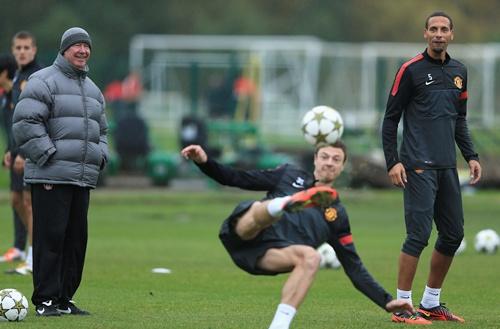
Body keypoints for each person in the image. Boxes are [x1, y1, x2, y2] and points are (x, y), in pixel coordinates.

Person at [181, 141, 413, 329]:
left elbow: (353, 266)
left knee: (312, 257)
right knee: (259, 211)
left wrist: (386, 301)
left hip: (270, 255)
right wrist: (204, 162)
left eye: (336, 160)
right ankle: (283, 204)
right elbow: (236, 178)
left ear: (342, 167)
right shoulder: (288, 175)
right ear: (315, 159)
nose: (329, 163)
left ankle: (279, 326)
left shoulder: (336, 214)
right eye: (324, 157)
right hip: (245, 232)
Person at [382, 11, 481, 325]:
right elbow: (389, 120)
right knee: (418, 235)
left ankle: (430, 303)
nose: (439, 34)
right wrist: (393, 161)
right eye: (433, 29)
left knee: (453, 235)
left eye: (444, 29)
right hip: (418, 167)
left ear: (452, 34)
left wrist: (471, 155)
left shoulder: (459, 72)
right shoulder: (410, 70)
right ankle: (402, 306)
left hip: (447, 167)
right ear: (425, 34)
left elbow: (460, 120)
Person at [12, 27, 108, 316]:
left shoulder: (93, 89)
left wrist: (100, 156)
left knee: (76, 242)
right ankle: (46, 300)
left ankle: (65, 300)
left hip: (81, 178)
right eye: (76, 45)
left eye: (86, 46)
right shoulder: (42, 81)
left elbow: (103, 131)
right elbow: (25, 124)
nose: (83, 50)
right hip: (50, 176)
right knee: (50, 239)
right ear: (64, 49)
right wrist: (48, 156)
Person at [0, 31, 42, 275]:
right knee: (17, 201)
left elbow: (36, 120)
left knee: (29, 203)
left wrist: (25, 153)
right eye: (18, 48)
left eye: (27, 47)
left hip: (31, 152)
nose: (22, 51)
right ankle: (27, 250)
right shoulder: (18, 77)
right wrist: (10, 149)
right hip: (17, 151)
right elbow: (17, 120)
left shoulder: (36, 78)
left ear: (34, 50)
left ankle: (34, 259)